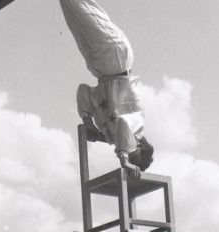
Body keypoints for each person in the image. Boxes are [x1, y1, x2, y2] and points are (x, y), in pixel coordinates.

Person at [60, 0, 154, 177]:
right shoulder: (137, 125)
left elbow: (84, 90)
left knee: (70, 10)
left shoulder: (109, 131)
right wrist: (124, 159)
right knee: (81, 7)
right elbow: (123, 125)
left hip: (100, 68)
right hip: (116, 58)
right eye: (133, 154)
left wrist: (89, 122)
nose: (127, 153)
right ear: (140, 144)